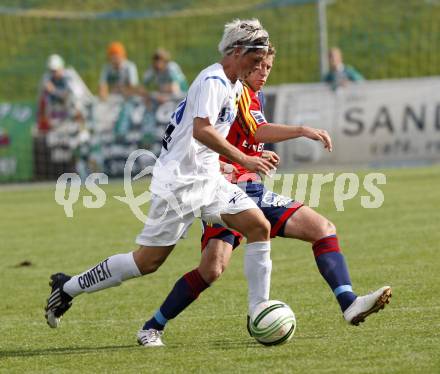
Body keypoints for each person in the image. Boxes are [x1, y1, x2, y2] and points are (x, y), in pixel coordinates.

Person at [45, 18, 278, 347]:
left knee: (258, 227)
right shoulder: (213, 80)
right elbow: (202, 130)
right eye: (255, 61)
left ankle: (259, 312)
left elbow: (235, 131)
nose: (259, 68)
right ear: (236, 52)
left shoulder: (235, 84)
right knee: (147, 262)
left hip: (209, 180)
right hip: (180, 183)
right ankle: (67, 287)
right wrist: (244, 160)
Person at [140, 45, 392, 346]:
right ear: (245, 62)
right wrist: (300, 130)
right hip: (223, 191)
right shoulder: (230, 91)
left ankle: (349, 303)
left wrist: (256, 156)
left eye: (268, 67)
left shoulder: (251, 94)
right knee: (217, 266)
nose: (263, 72)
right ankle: (156, 325)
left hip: (249, 189)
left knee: (219, 266)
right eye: (258, 65)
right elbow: (251, 132)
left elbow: (253, 134)